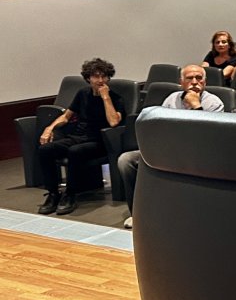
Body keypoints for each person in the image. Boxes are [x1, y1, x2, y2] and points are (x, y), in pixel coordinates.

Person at [115, 64, 224, 228]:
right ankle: (137, 214)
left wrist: (196, 106)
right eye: (189, 78)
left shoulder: (214, 103)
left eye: (199, 78)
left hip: (197, 154)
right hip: (168, 149)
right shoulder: (171, 99)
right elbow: (161, 126)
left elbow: (207, 136)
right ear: (181, 82)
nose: (194, 82)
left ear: (205, 82)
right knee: (126, 161)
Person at [36, 58, 125, 211]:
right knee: (45, 150)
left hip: (100, 140)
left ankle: (70, 194)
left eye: (104, 76)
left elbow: (113, 122)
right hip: (78, 137)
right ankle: (52, 193)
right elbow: (66, 116)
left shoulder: (115, 98)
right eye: (96, 76)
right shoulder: (83, 94)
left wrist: (105, 97)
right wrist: (49, 129)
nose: (100, 80)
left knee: (74, 152)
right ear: (88, 78)